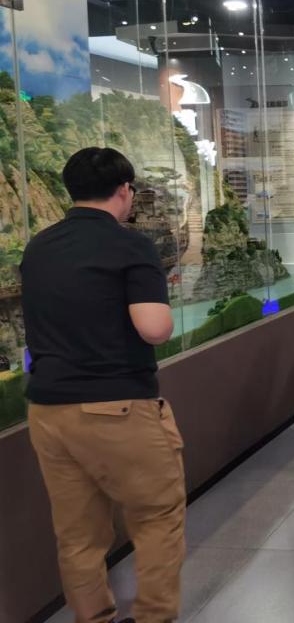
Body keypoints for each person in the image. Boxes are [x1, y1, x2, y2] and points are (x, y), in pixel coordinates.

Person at [21, 148, 183, 623]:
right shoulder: (130, 245)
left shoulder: (39, 246)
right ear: (124, 190)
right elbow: (154, 328)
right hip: (116, 406)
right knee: (156, 517)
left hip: (48, 410)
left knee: (78, 534)